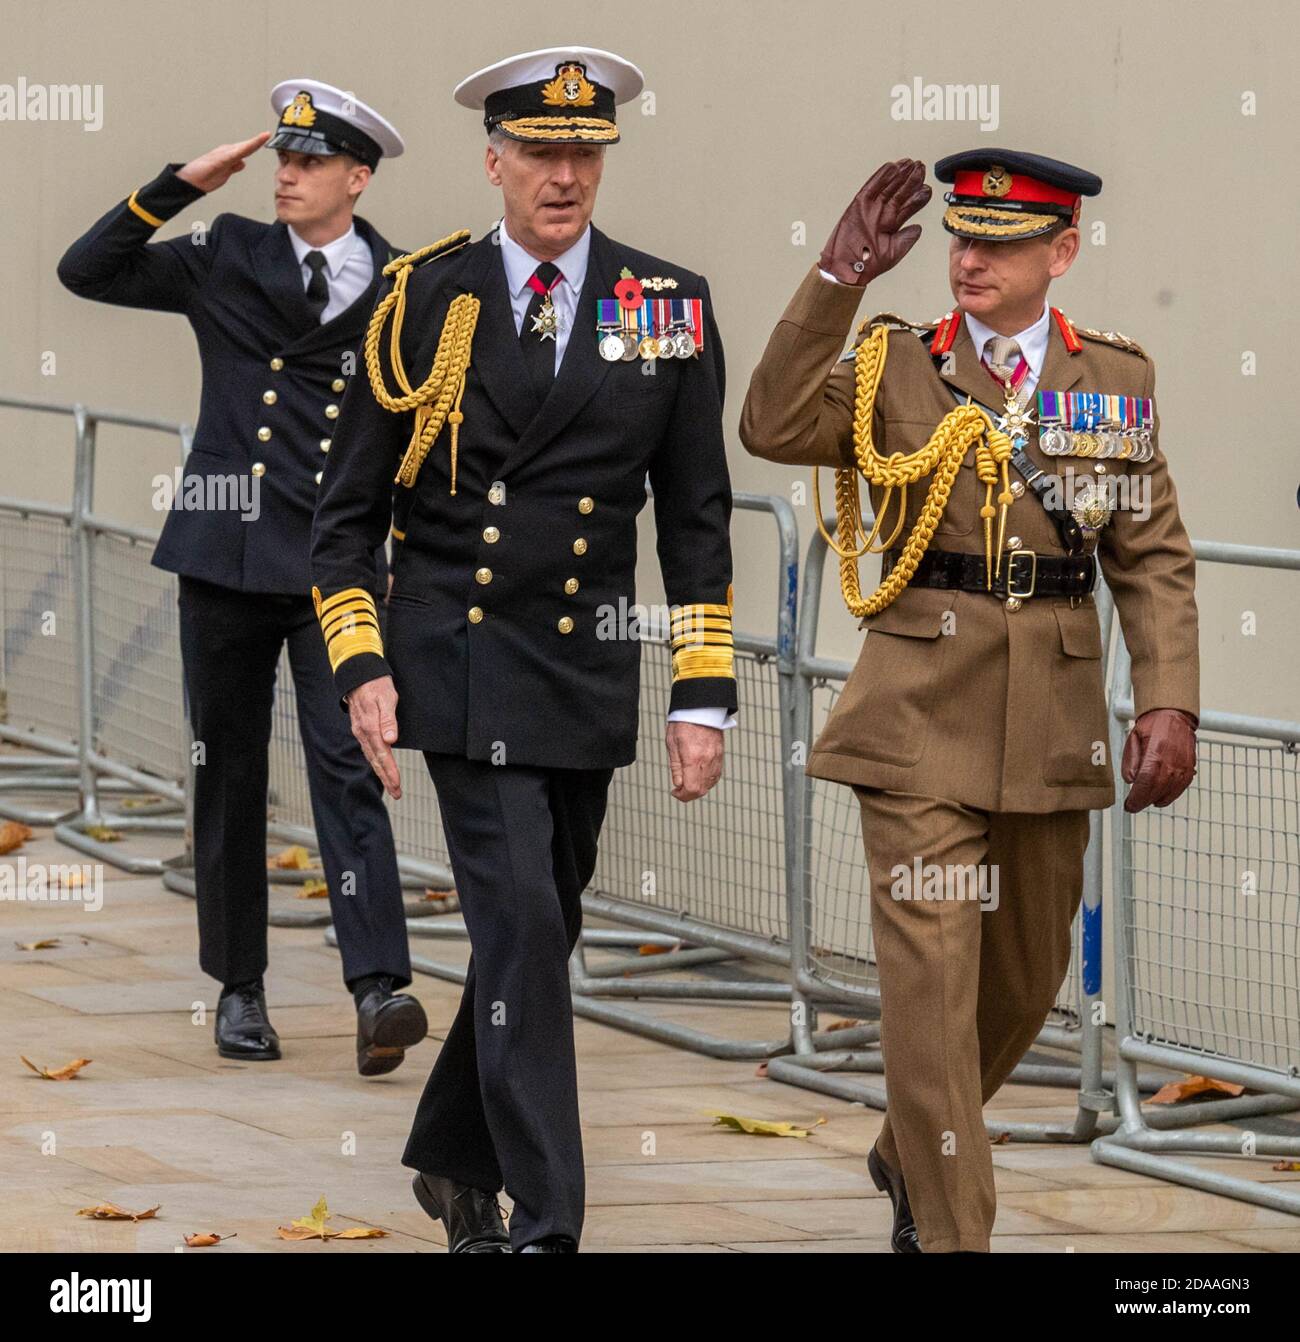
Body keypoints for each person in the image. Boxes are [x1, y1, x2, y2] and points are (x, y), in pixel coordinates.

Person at [310, 45, 737, 1252]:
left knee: (537, 934)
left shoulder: (668, 304)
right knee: (523, 936)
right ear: (492, 161)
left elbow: (694, 516)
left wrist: (701, 695)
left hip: (585, 669)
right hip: (459, 661)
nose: (563, 176)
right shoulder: (422, 301)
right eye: (540, 153)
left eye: (583, 152)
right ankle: (544, 1222)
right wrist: (362, 664)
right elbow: (344, 520)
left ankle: (451, 1159)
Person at [740, 152, 1199, 1253]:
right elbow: (770, 422)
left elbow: (1149, 550)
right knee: (933, 985)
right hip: (912, 718)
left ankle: (910, 1146)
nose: (968, 258)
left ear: (1061, 252)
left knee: (1024, 981)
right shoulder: (895, 360)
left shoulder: (1112, 381)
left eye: (997, 241)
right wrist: (835, 278)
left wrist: (1168, 699)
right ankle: (954, 1237)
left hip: (1047, 721)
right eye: (960, 237)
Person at [57, 80, 428, 1076]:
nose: (287, 175)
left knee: (349, 766)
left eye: (311, 162)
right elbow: (84, 272)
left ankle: (377, 986)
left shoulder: (403, 286)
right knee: (226, 774)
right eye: (282, 159)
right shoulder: (224, 254)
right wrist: (177, 185)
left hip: (333, 571)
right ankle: (240, 988)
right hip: (222, 558)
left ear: (357, 176)